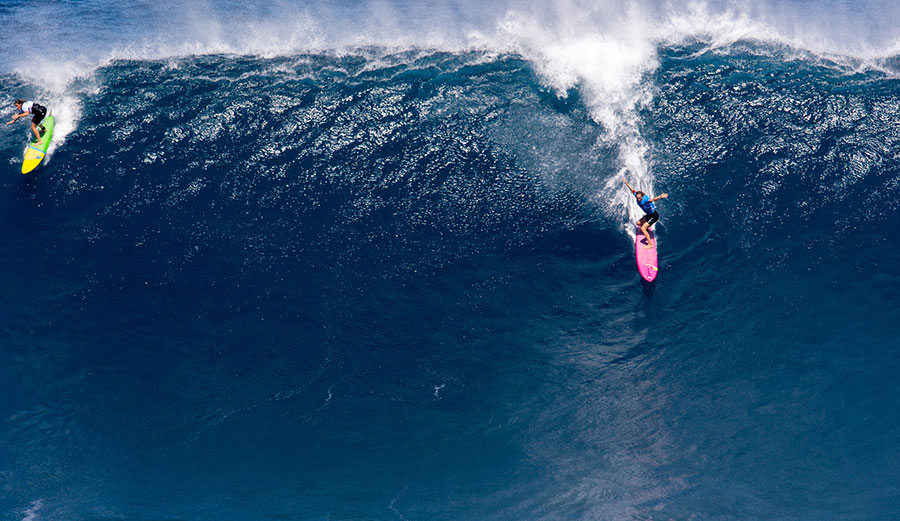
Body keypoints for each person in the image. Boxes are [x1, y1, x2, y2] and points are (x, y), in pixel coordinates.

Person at [622, 177, 668, 249]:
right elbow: (632, 190)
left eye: (639, 198)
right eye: (637, 198)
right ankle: (647, 228)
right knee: (638, 223)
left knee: (643, 228)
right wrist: (626, 183)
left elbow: (653, 199)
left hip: (654, 216)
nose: (638, 199)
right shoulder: (637, 196)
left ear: (642, 196)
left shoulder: (645, 200)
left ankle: (650, 244)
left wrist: (661, 196)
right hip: (649, 215)